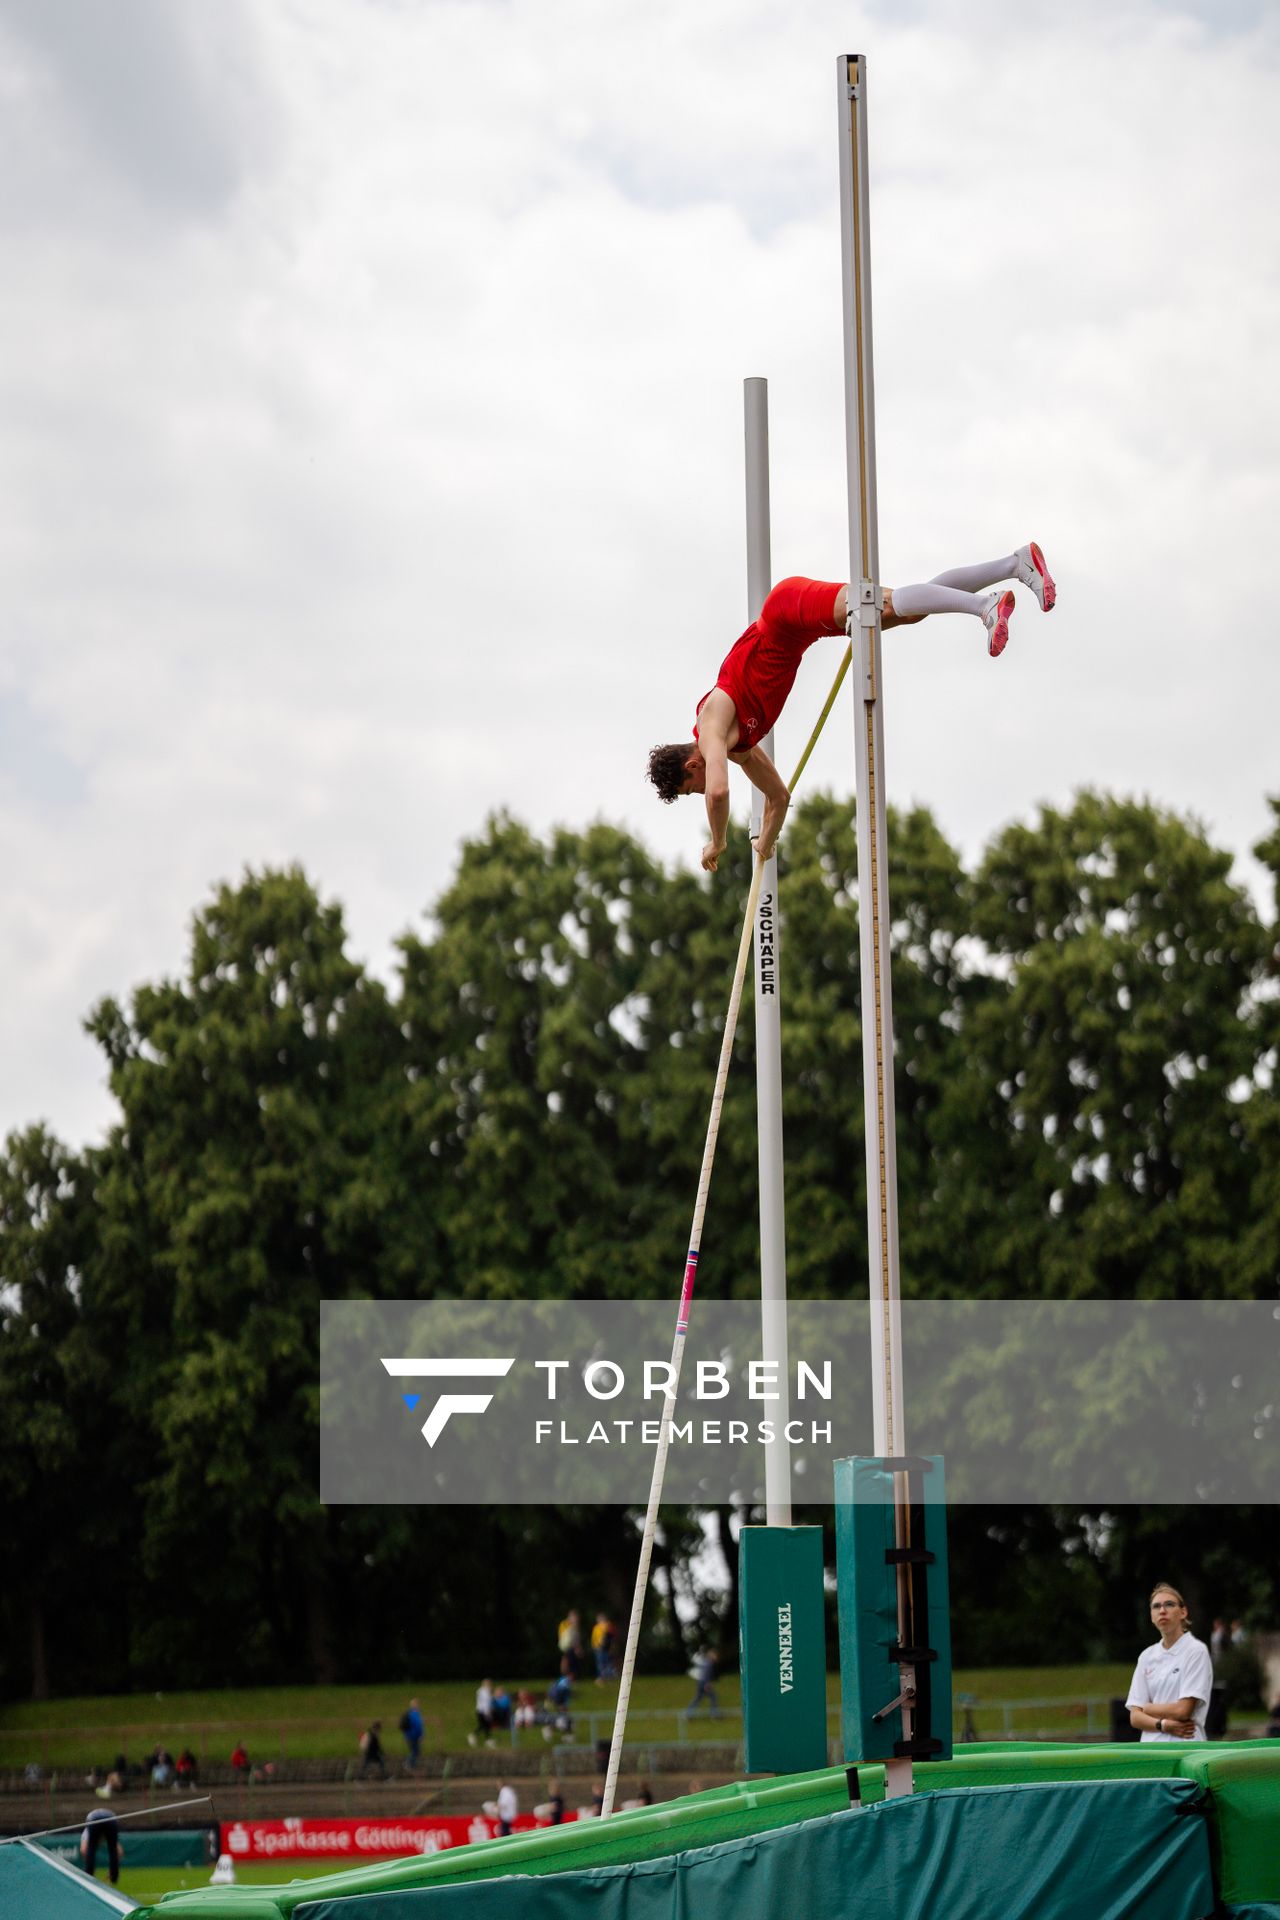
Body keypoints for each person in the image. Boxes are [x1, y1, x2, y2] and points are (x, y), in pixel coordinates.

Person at [647, 545, 1056, 872]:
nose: (701, 791)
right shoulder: (741, 750)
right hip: (798, 634)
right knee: (905, 612)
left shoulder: (712, 723)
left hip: (785, 613)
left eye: (691, 790)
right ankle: (1015, 564)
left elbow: (718, 792)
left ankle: (985, 607)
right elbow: (779, 798)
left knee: (886, 603)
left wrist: (717, 843)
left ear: (691, 767)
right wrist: (765, 845)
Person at [1126, 1582, 1213, 1741]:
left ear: (1183, 1612)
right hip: (1152, 1753)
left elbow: (1183, 1710)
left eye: (1169, 1605)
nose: (1162, 1610)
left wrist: (1147, 1708)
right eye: (1156, 1606)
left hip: (1186, 1749)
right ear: (1152, 1616)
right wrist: (1163, 1725)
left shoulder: (1196, 1651)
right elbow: (1135, 1717)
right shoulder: (1146, 1656)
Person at [80, 1807, 123, 1884]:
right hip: (110, 1819)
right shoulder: (88, 1831)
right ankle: (114, 1877)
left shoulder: (88, 1832)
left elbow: (84, 1850)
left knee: (91, 1849)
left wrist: (89, 1864)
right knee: (112, 1849)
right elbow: (119, 1852)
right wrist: (114, 1869)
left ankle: (89, 1875)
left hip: (96, 1819)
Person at [687, 1649, 720, 1716]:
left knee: (698, 1698)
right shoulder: (709, 1664)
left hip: (700, 1683)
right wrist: (707, 1684)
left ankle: (688, 1713)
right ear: (711, 1656)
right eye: (715, 1655)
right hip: (704, 1683)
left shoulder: (705, 1662)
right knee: (713, 1697)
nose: (716, 1657)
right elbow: (706, 1675)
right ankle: (714, 1714)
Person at [591, 1612, 617, 1684]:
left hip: (607, 1649)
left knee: (608, 1663)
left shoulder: (608, 1626)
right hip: (599, 1648)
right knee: (600, 1664)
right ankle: (601, 1678)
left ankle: (609, 1677)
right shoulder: (596, 1628)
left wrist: (612, 1646)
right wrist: (596, 1646)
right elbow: (594, 1638)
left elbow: (612, 1637)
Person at [469, 1678, 496, 1748]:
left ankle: (488, 1740)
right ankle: (473, 1736)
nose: (491, 1686)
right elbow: (485, 1703)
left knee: (486, 1726)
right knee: (484, 1726)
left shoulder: (482, 1691)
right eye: (489, 1684)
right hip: (483, 1711)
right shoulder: (485, 1692)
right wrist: (487, 1713)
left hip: (481, 1710)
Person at [399, 1698, 424, 1769]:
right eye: (418, 1704)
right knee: (415, 1751)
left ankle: (412, 1764)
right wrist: (421, 1735)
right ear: (416, 1705)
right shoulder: (415, 1714)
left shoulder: (409, 1713)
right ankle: (408, 1764)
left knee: (415, 1751)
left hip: (408, 1736)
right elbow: (418, 1725)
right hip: (414, 1736)